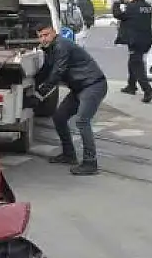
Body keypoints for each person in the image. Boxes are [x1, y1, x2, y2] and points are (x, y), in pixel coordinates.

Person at [34, 23, 108, 175]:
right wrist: (33, 87)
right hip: (79, 87)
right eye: (40, 36)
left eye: (46, 35)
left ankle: (90, 163)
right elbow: (46, 70)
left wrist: (40, 94)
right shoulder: (50, 49)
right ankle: (69, 154)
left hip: (93, 85)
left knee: (82, 120)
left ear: (54, 33)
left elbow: (57, 72)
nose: (43, 39)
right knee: (59, 117)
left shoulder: (62, 46)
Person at [113, 0, 152, 103]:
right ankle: (131, 86)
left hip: (135, 40)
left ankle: (148, 91)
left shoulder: (132, 7)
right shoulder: (148, 7)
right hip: (146, 40)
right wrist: (128, 3)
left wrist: (117, 3)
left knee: (137, 65)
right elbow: (136, 13)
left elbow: (118, 15)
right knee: (133, 61)